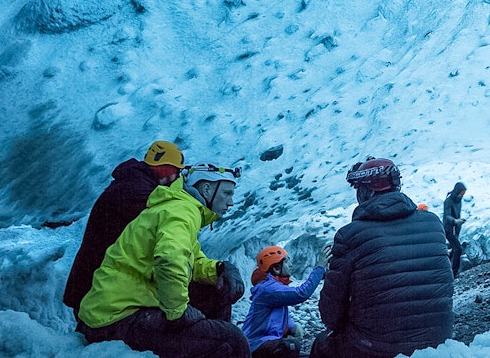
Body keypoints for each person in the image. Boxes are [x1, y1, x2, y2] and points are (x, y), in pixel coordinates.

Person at [77, 163, 249, 358]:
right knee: (232, 341)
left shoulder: (177, 207)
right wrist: (178, 313)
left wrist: (219, 269)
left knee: (215, 294)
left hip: (112, 310)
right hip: (117, 319)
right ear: (207, 189)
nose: (231, 202)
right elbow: (169, 260)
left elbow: (193, 259)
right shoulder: (182, 212)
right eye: (227, 193)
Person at [312, 157, 453, 358]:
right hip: (438, 340)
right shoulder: (433, 223)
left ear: (366, 191)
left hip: (378, 347)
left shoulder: (350, 235)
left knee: (322, 345)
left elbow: (331, 316)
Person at [63, 140, 185, 316]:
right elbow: (162, 217)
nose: (176, 179)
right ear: (165, 169)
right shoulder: (136, 191)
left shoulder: (131, 184)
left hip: (97, 281)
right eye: (176, 172)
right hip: (97, 286)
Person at [243, 245, 329, 358]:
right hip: (255, 345)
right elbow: (302, 293)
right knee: (291, 346)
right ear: (276, 268)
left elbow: (275, 316)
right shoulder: (269, 289)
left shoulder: (272, 287)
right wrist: (320, 267)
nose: (290, 265)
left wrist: (292, 326)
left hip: (264, 343)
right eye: (287, 261)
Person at [442, 182, 467, 277]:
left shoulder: (459, 200)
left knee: (454, 249)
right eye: (462, 192)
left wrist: (458, 223)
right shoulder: (448, 201)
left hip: (456, 228)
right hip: (449, 228)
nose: (463, 195)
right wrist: (455, 221)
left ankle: (446, 270)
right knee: (458, 249)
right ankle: (453, 273)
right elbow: (447, 216)